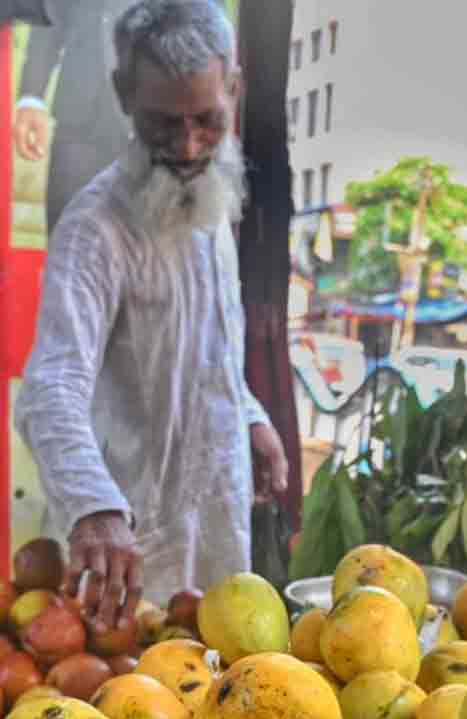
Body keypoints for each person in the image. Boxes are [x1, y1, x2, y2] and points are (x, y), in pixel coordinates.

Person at [15, 0, 289, 628]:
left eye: (207, 120)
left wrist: (249, 415)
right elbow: (50, 389)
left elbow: (203, 348)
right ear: (123, 94)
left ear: (234, 89)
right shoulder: (95, 230)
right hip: (127, 551)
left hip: (217, 527)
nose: (188, 147)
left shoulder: (214, 196)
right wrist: (93, 506)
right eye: (162, 124)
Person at [13, 0, 134, 232]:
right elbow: (49, 16)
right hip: (80, 115)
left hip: (155, 121)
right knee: (68, 234)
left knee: (146, 244)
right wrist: (31, 98)